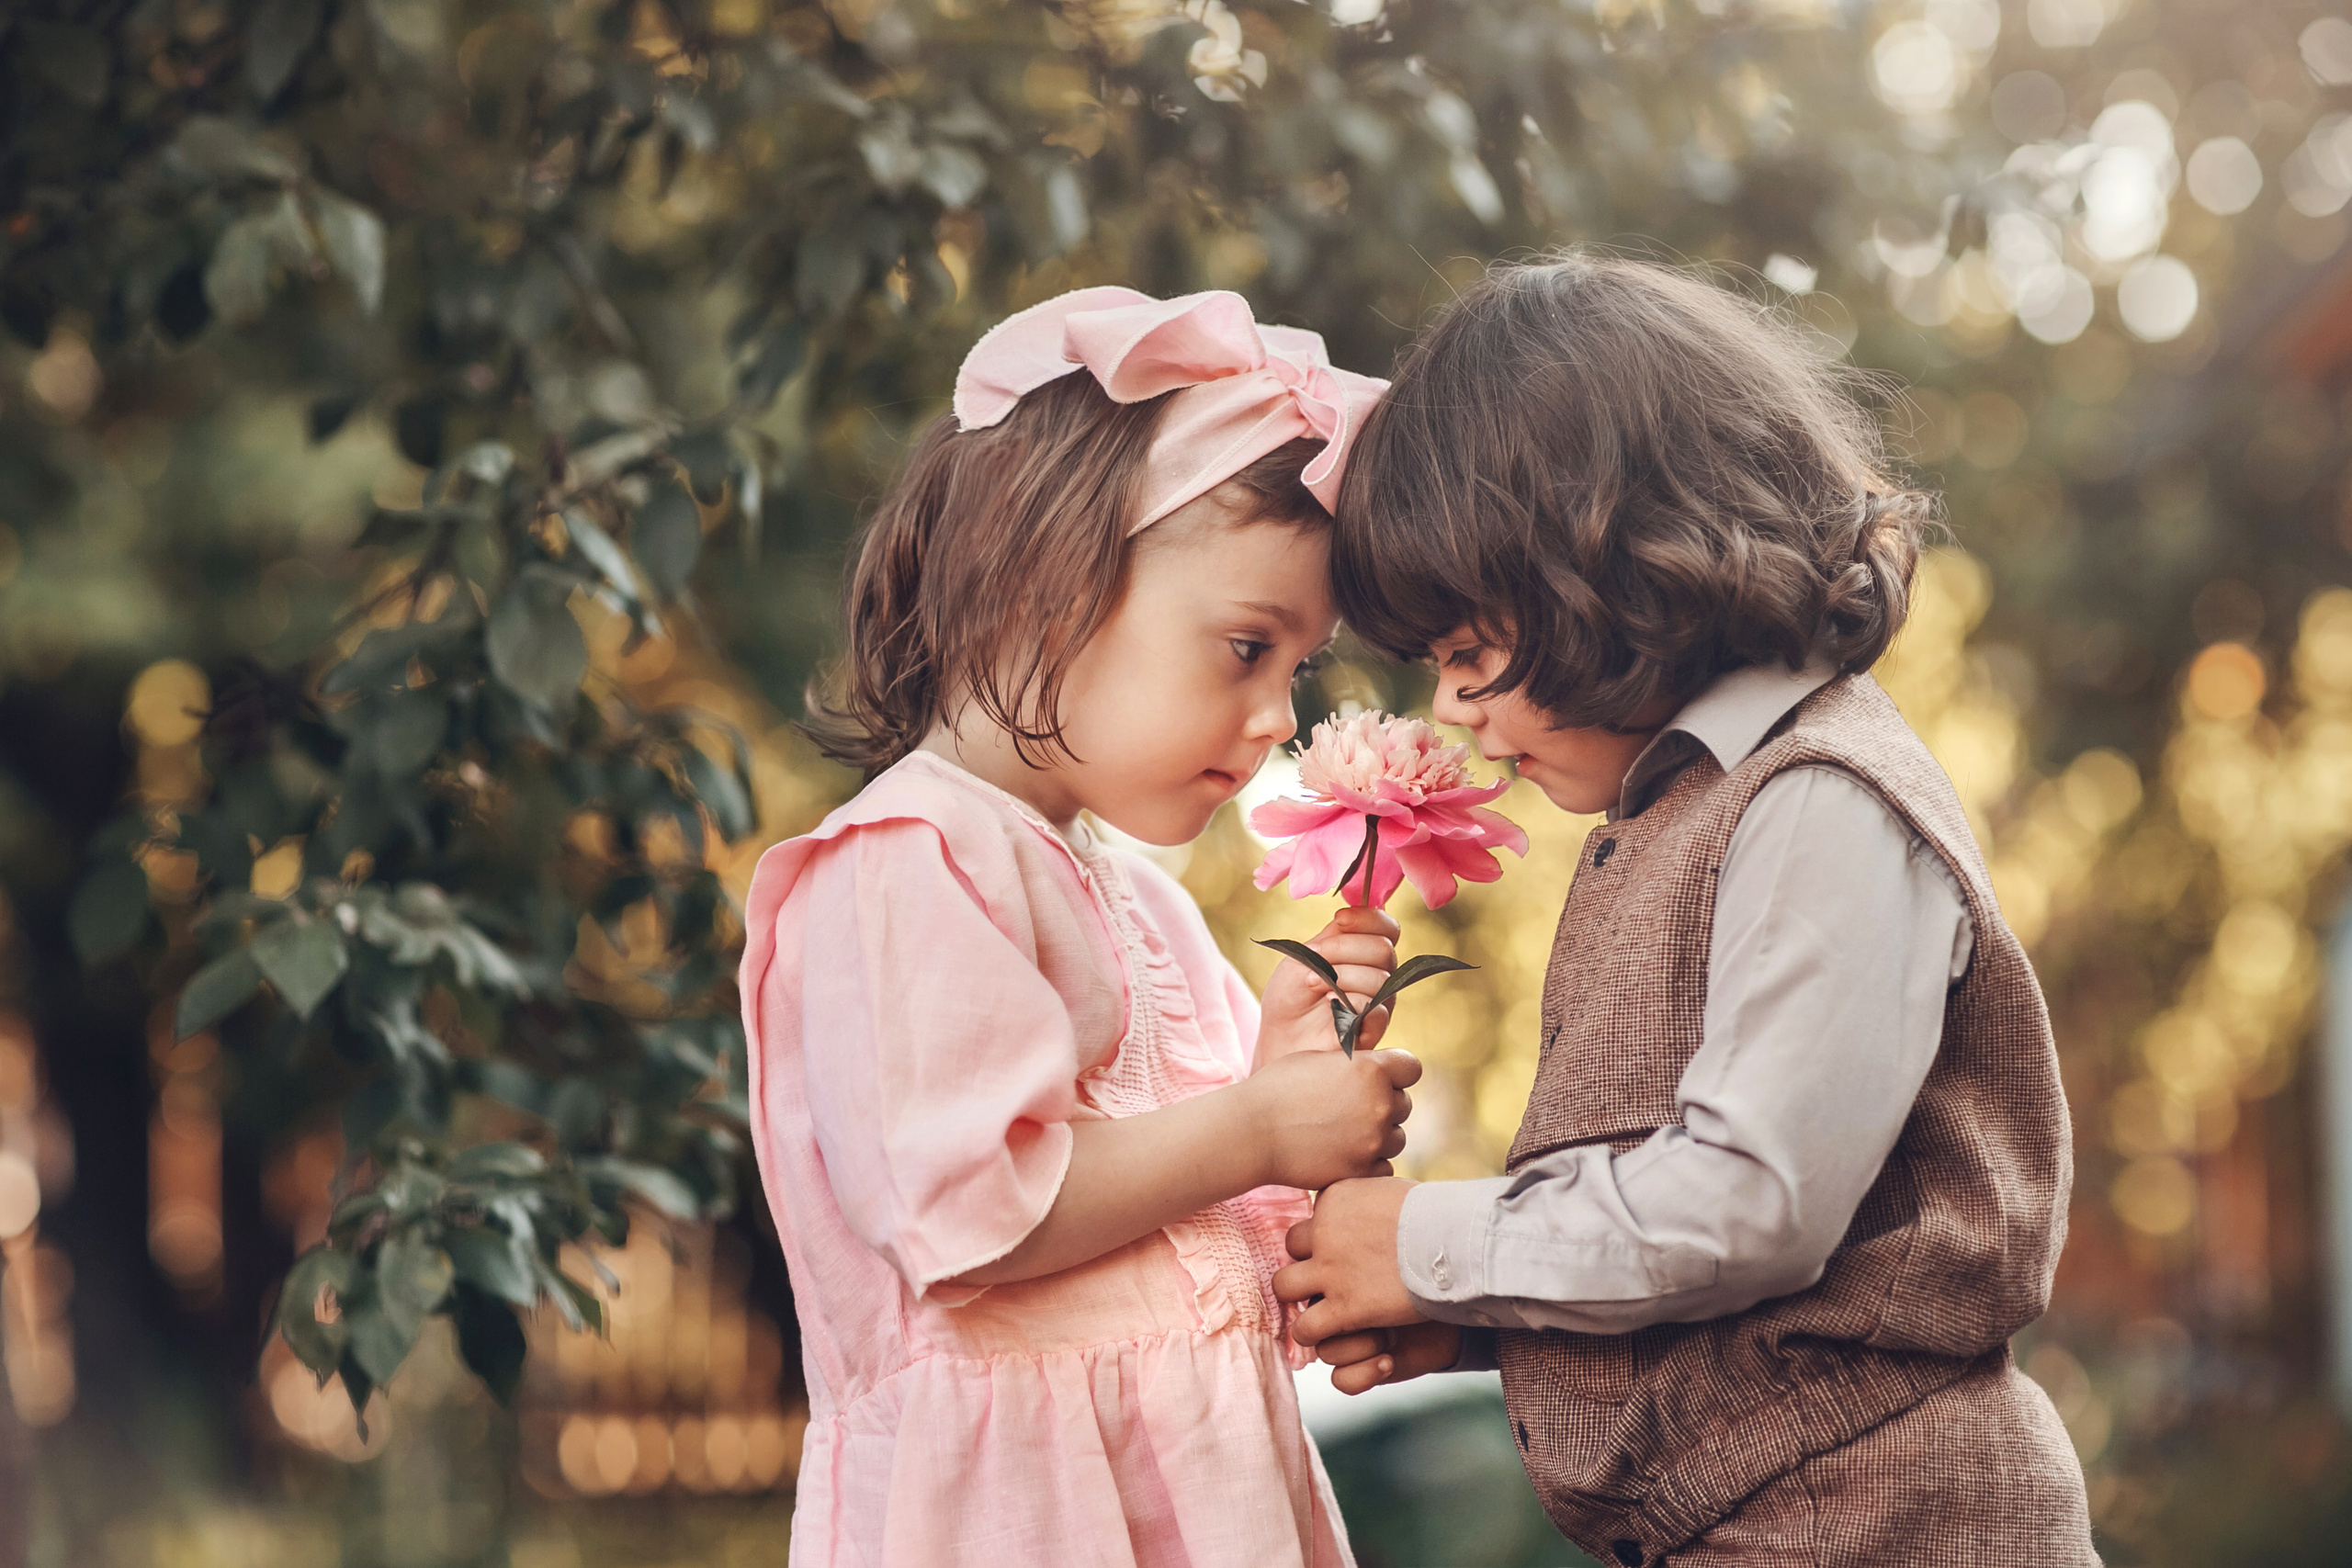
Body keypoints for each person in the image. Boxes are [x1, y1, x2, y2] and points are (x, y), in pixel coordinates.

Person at [1273, 254, 2099, 1566]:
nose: (1454, 715)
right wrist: (1487, 1320)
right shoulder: (1681, 810)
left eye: (1472, 655)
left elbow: (1747, 1201)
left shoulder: (1822, 801)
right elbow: (1759, 1289)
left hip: (1884, 1526)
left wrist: (1432, 1242)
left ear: (1616, 574)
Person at [738, 286, 1416, 1568]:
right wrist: (1259, 1123)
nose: (1278, 715)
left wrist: (1295, 1095)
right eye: (1244, 646)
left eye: (1299, 670)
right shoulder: (907, 866)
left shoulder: (1139, 899)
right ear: (1041, 590)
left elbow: (1210, 1249)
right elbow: (969, 1212)